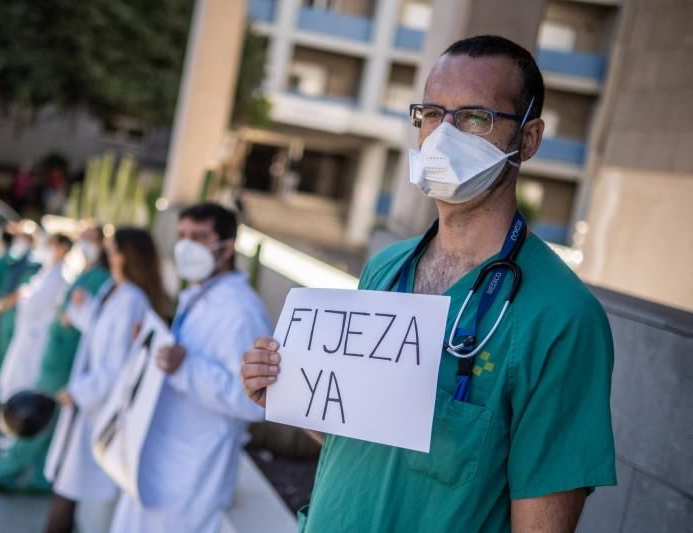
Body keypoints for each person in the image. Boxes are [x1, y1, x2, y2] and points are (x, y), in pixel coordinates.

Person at [241, 35, 616, 532]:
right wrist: (287, 392)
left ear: (527, 140)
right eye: (433, 113)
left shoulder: (561, 318)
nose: (444, 135)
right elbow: (360, 443)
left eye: (474, 117)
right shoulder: (385, 269)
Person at [108, 203, 271, 533]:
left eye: (198, 237)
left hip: (192, 475)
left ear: (226, 248)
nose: (185, 246)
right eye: (182, 236)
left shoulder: (240, 310)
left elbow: (254, 402)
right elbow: (180, 353)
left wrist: (187, 368)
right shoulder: (199, 294)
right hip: (157, 459)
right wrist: (152, 342)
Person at [44, 227, 171, 533]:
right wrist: (82, 307)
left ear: (128, 255)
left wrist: (78, 392)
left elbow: (118, 366)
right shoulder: (113, 290)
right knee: (68, 492)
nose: (107, 253)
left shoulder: (132, 300)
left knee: (71, 497)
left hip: (99, 409)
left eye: (113, 249)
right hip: (87, 406)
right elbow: (100, 331)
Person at [0, 225, 111, 496]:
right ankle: (37, 477)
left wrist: (75, 311)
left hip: (61, 360)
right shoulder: (82, 272)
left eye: (92, 239)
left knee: (37, 413)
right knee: (44, 415)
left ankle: (6, 474)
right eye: (84, 238)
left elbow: (87, 318)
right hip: (51, 352)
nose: (85, 244)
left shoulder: (97, 278)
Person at [0, 233, 73, 401]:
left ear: (63, 248)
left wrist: (23, 297)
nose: (49, 249)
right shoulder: (48, 270)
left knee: (23, 376)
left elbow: (34, 302)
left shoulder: (60, 276)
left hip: (36, 333)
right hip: (28, 330)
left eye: (53, 245)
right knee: (13, 372)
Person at [0, 220, 42, 394]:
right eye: (19, 237)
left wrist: (2, 306)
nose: (20, 241)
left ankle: (3, 393)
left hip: (14, 314)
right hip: (1, 311)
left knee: (10, 357)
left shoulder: (34, 265)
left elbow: (23, 291)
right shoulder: (9, 261)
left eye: (26, 238)